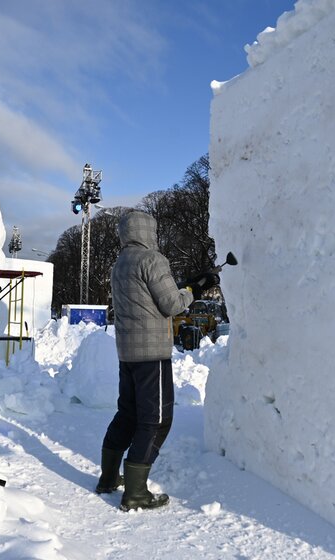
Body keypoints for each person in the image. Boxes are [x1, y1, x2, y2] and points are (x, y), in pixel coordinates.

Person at [96, 211, 194, 511]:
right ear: (149, 232)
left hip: (128, 353)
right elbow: (172, 304)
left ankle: (109, 478)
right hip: (153, 355)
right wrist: (190, 291)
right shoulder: (153, 260)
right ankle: (136, 492)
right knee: (156, 420)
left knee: (127, 415)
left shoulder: (120, 264)